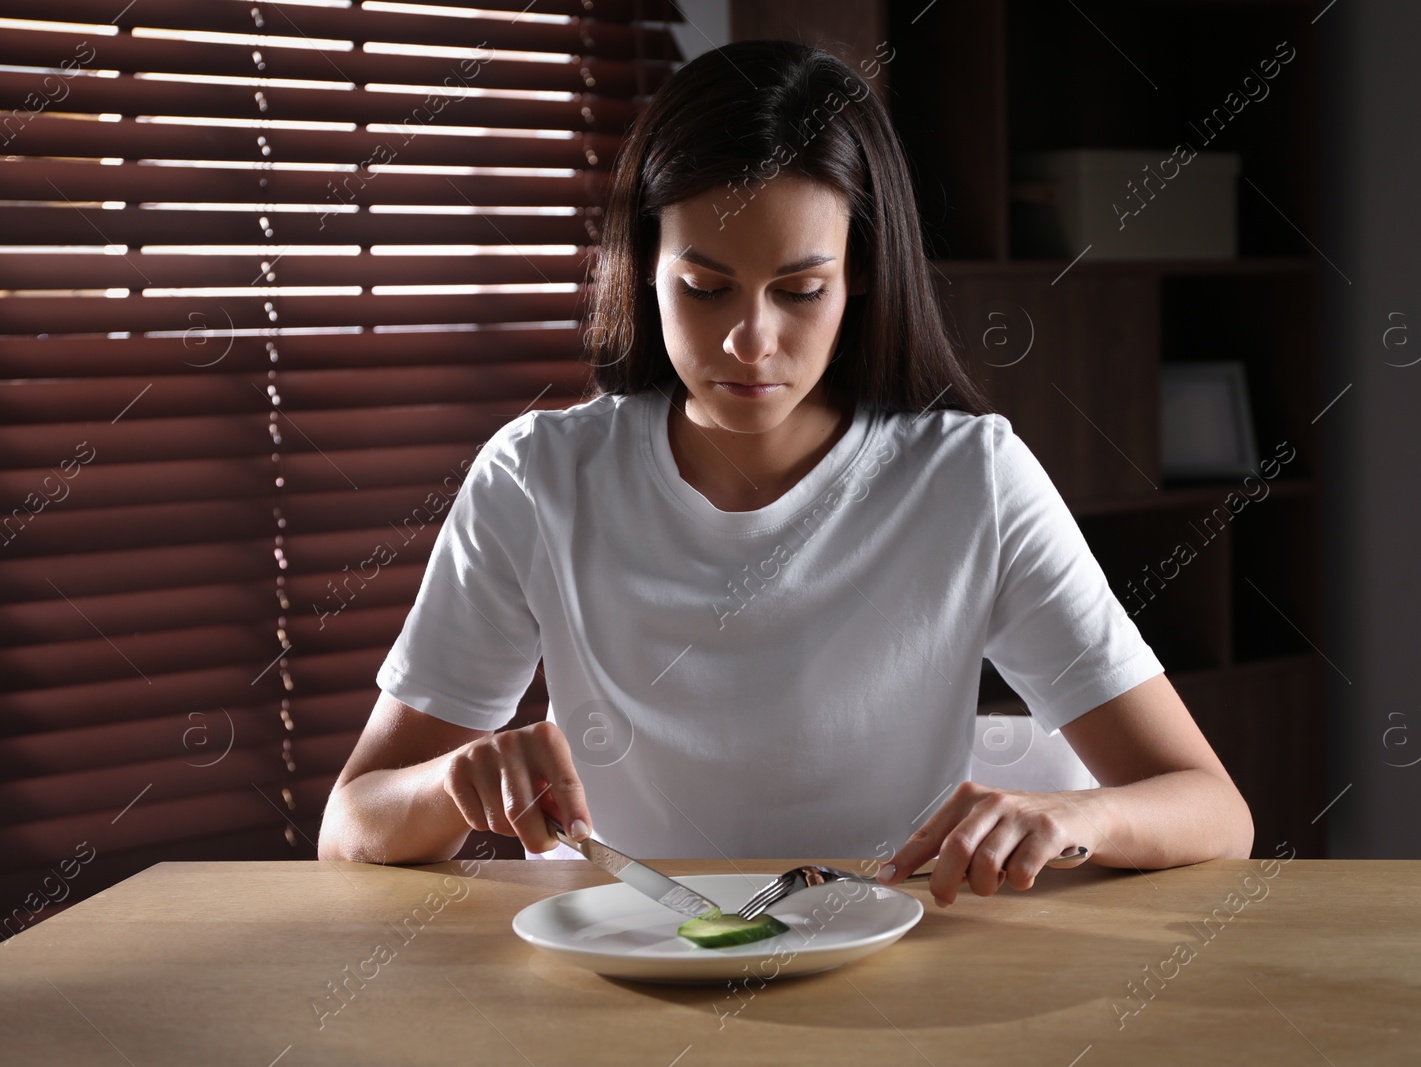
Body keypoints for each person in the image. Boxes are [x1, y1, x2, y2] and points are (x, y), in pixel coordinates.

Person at [318, 40, 1253, 909]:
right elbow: (349, 824)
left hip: (889, 972)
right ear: (644, 268)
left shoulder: (974, 482)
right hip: (614, 971)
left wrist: (1080, 817)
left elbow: (1215, 809)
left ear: (860, 279)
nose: (749, 340)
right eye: (704, 286)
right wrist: (452, 784)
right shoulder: (538, 479)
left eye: (800, 291)